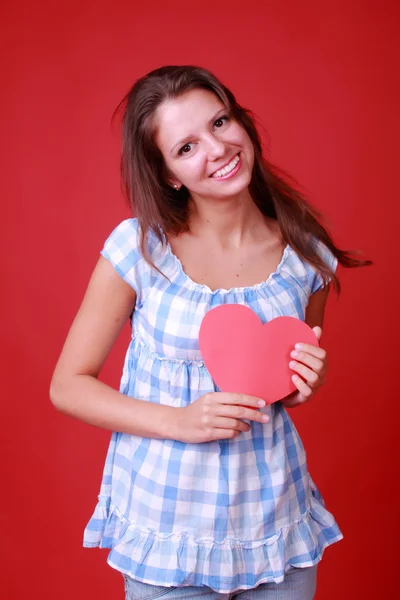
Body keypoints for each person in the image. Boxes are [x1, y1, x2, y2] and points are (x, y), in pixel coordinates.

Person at [50, 65, 370, 599]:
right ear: (170, 175)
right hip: (169, 530)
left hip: (273, 525)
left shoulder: (306, 253)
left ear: (241, 121)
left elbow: (277, 390)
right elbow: (68, 385)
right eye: (186, 147)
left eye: (220, 122)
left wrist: (305, 381)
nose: (217, 149)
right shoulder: (140, 250)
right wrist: (178, 421)